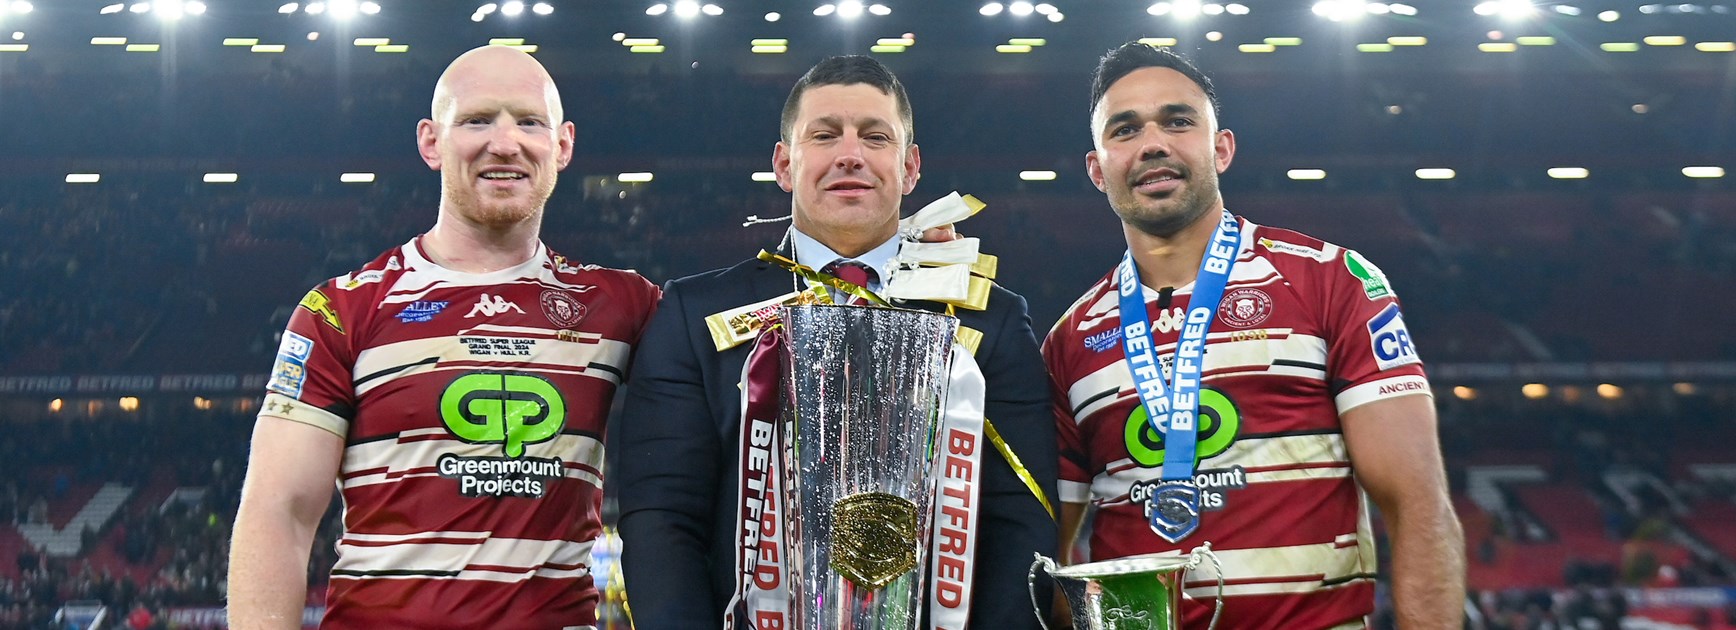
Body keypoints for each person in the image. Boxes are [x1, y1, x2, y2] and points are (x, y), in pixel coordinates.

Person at [614, 55, 1057, 629]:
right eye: (824, 135)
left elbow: (1019, 522)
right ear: (784, 164)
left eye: (875, 136)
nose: (850, 153)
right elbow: (662, 519)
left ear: (910, 167)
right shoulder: (695, 315)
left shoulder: (990, 319)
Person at [227, 45, 659, 629]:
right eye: (477, 120)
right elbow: (280, 512)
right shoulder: (341, 309)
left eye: (529, 122)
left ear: (563, 144)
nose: (504, 143)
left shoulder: (622, 305)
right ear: (431, 141)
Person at [1043, 42, 1465, 628]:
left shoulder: (1333, 282)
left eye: (1178, 121)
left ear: (1222, 149)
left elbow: (1418, 505)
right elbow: (1048, 558)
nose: (1153, 144)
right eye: (1125, 129)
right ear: (1097, 168)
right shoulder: (1069, 340)